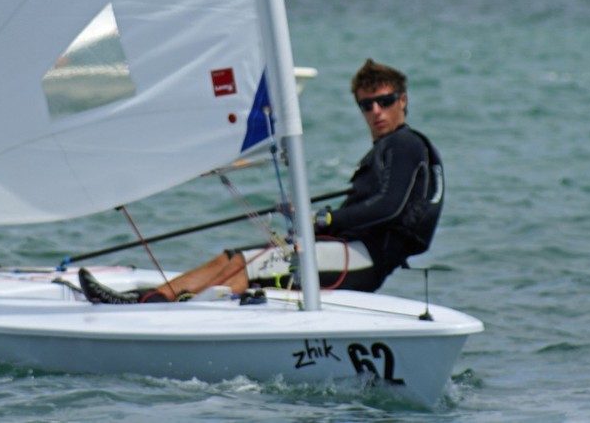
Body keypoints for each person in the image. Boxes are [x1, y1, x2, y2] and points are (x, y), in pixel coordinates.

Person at [79, 58, 446, 304]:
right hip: (347, 250)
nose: (376, 111)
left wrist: (323, 219)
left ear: (403, 100)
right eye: (367, 105)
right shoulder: (389, 149)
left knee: (247, 268)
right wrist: (312, 221)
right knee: (232, 257)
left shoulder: (406, 144)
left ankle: (178, 316)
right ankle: (148, 302)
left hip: (366, 260)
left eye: (385, 101)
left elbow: (389, 205)